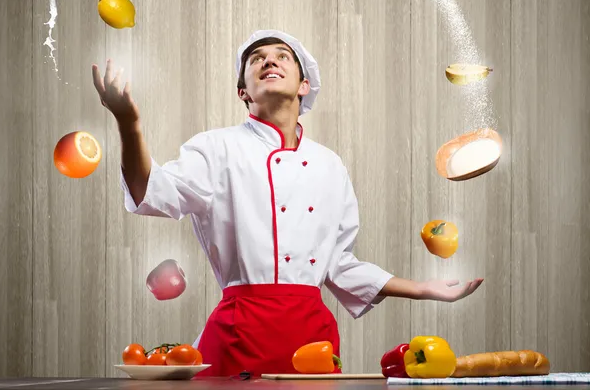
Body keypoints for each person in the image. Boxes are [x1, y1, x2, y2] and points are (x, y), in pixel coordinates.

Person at [92, 29, 483, 377]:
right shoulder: (215, 148)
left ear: (303, 85)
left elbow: (339, 265)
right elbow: (150, 191)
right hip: (237, 333)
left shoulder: (330, 165)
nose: (269, 61)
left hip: (311, 340)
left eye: (282, 56)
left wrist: (425, 289)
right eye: (256, 59)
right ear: (243, 91)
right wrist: (129, 125)